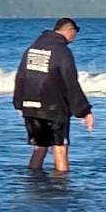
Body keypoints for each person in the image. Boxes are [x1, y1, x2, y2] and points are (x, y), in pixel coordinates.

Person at [13, 16, 94, 173]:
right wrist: (84, 111)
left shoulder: (33, 48)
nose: (74, 38)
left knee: (40, 147)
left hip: (30, 106)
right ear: (69, 31)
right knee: (60, 148)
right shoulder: (62, 51)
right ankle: (61, 187)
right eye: (75, 33)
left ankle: (34, 182)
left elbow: (21, 76)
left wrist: (19, 103)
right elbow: (70, 81)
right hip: (54, 108)